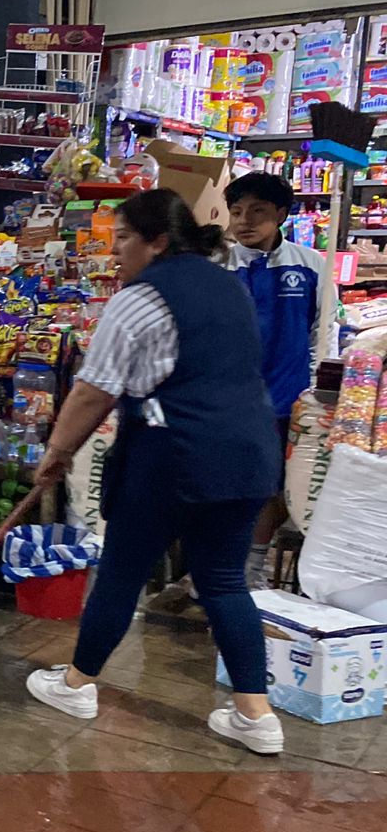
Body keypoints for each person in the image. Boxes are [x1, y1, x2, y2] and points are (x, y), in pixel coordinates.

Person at [26, 188, 285, 755]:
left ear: (157, 242)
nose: (114, 251)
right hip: (248, 453)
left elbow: (94, 390)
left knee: (121, 572)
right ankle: (256, 716)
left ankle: (76, 685)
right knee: (222, 580)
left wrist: (57, 451)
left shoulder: (139, 299)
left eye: (123, 239)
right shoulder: (227, 285)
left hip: (174, 454)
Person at [224, 171, 331, 587]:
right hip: (226, 399)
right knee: (224, 484)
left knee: (269, 488)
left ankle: (251, 570)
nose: (244, 221)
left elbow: (323, 333)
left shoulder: (310, 266)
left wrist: (316, 396)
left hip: (285, 399)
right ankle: (216, 566)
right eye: (236, 212)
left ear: (281, 215)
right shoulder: (218, 266)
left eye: (258, 211)